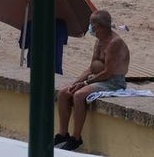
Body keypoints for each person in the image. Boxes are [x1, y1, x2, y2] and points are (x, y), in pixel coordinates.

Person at [55, 10, 130, 152]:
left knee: (79, 95)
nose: (91, 29)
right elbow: (91, 68)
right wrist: (76, 83)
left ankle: (76, 138)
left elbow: (108, 72)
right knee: (65, 93)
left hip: (112, 82)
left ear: (100, 27)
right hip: (96, 78)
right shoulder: (99, 41)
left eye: (92, 26)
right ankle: (62, 134)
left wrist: (85, 84)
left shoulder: (115, 43)